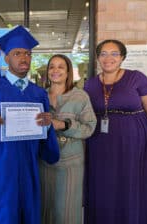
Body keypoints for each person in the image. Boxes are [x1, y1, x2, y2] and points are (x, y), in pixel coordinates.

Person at [0, 25, 60, 224]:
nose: (24, 58)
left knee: (28, 213)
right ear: (6, 58)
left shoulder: (38, 93)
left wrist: (47, 124)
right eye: (17, 53)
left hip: (29, 166)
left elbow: (46, 144)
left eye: (27, 53)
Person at [83, 39, 147, 224]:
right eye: (103, 54)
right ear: (98, 58)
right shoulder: (89, 85)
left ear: (122, 57)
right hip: (100, 146)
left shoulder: (136, 78)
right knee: (105, 188)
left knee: (133, 187)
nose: (109, 58)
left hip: (136, 145)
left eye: (114, 53)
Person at [40, 54, 97, 224]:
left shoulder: (80, 97)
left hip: (70, 164)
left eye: (60, 67)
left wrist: (63, 125)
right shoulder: (38, 96)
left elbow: (89, 128)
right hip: (43, 163)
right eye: (52, 67)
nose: (55, 70)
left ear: (68, 72)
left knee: (67, 213)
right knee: (44, 210)